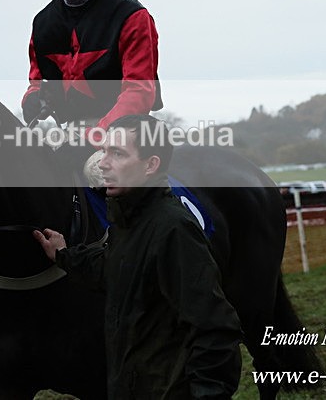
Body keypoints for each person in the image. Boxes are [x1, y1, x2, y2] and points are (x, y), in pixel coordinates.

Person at [33, 115, 242, 399]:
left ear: (151, 164)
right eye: (104, 151)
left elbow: (215, 327)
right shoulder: (127, 220)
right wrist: (65, 256)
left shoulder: (173, 229)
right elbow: (115, 270)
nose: (103, 163)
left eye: (117, 153)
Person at [21, 0, 163, 178]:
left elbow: (139, 92)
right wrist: (33, 98)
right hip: (65, 135)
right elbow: (36, 82)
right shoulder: (42, 22)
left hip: (128, 135)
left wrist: (93, 138)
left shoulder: (131, 15)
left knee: (99, 174)